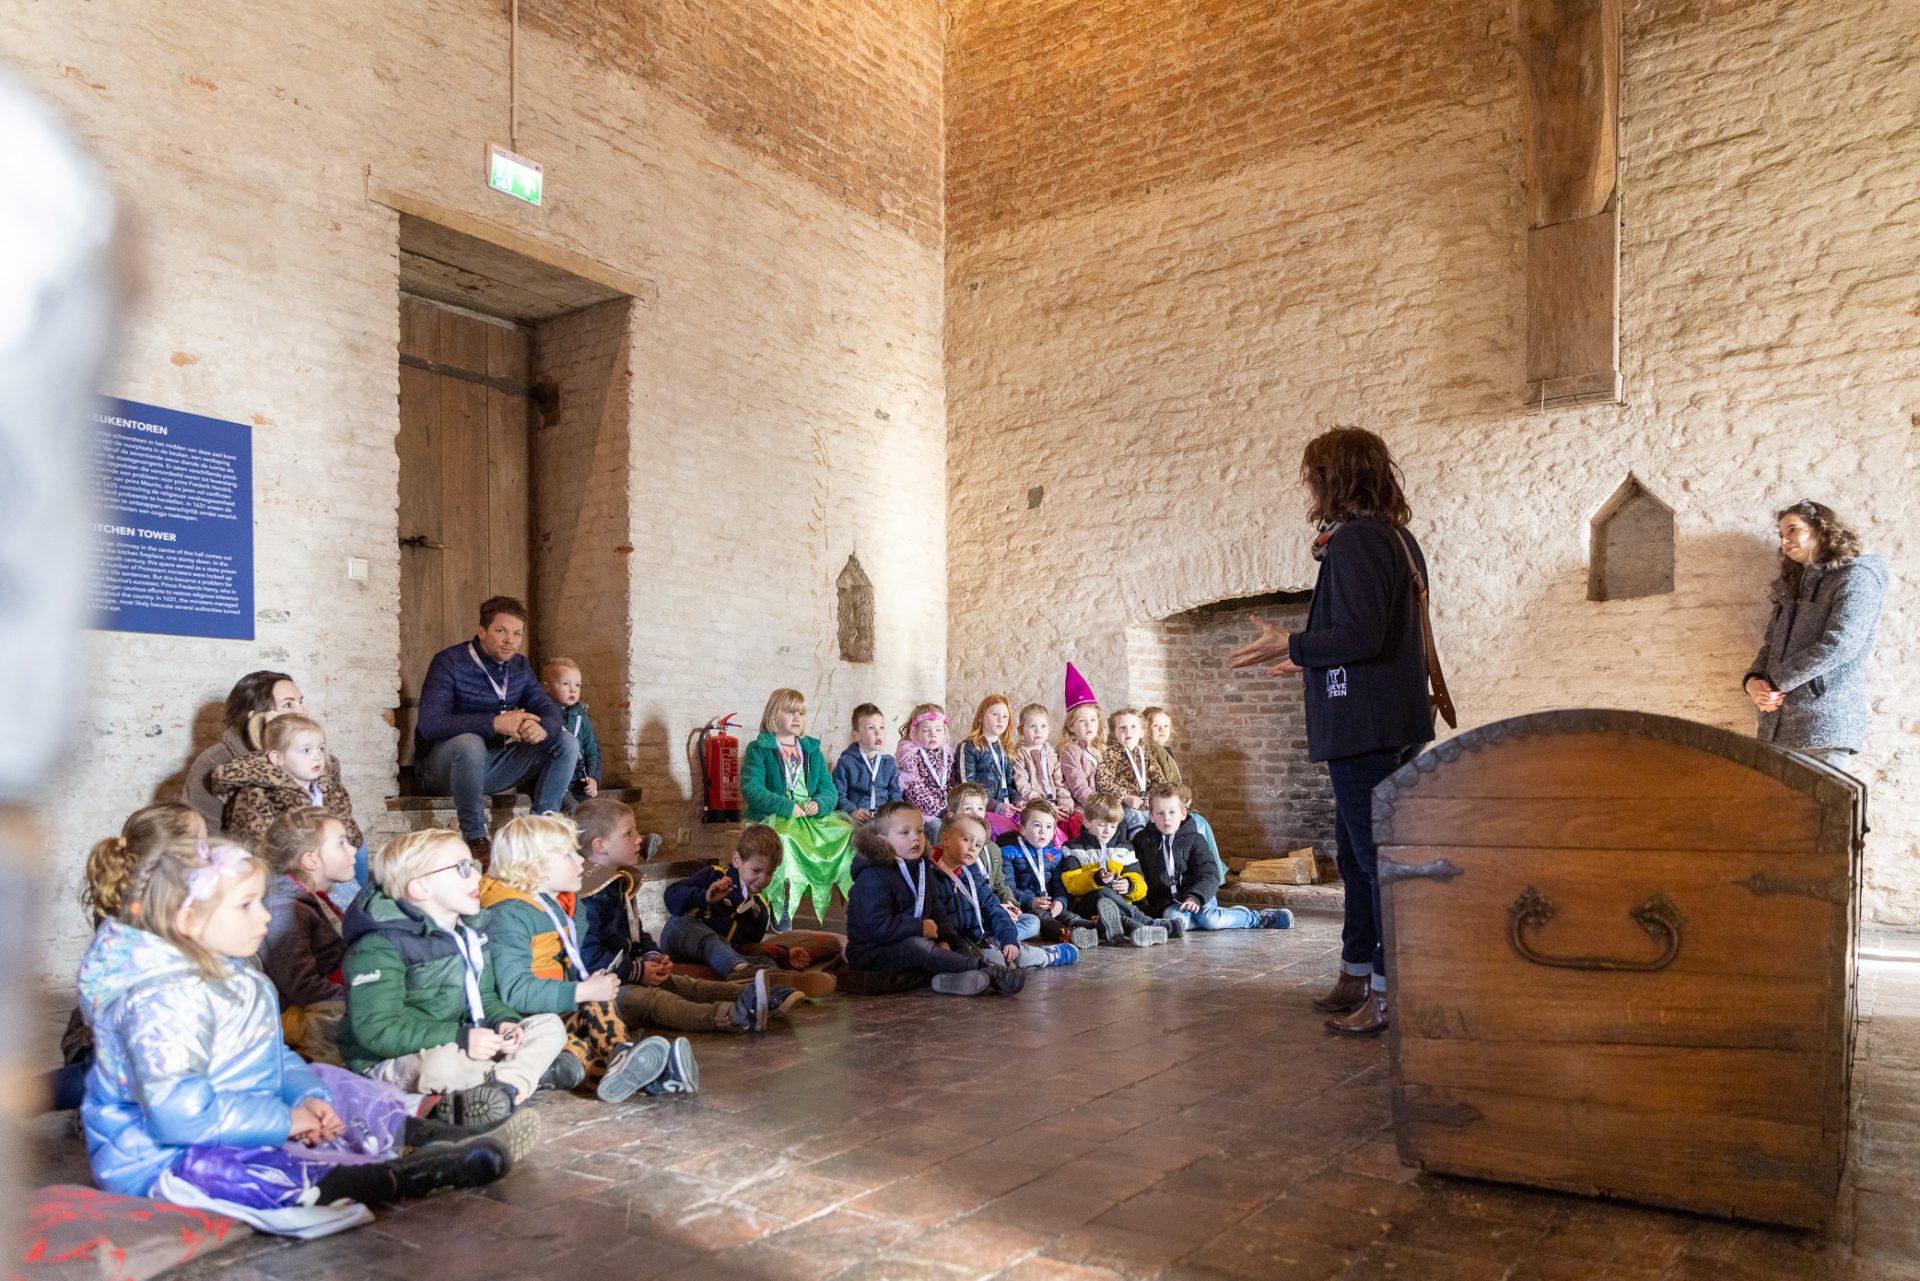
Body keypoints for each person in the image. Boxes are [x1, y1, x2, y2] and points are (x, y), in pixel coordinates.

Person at [77, 837, 525, 1230]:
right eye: (246, 906)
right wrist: (286, 1120)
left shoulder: (236, 976)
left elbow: (272, 1059)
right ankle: (403, 1177)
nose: (265, 918)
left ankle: (424, 1135)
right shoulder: (159, 1003)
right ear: (189, 922)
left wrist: (308, 1098)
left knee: (333, 1082)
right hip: (163, 1156)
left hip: (241, 1115)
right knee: (235, 1172)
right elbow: (180, 1117)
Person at [1229, 426, 1435, 1037]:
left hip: (1364, 726)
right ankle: (1356, 971)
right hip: (1388, 716)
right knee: (1357, 855)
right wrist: (1309, 655)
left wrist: (1292, 641)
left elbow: (1363, 636)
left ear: (1334, 478)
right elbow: (1371, 636)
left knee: (1373, 863)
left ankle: (1386, 991)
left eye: (1314, 476)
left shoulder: (1357, 541)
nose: (1309, 488)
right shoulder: (1394, 537)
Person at [336, 829, 568, 1122]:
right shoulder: (377, 946)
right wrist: (459, 1037)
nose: (476, 877)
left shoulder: (469, 930)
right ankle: (517, 1077)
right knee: (444, 1066)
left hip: (465, 1039)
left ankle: (502, 1089)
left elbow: (483, 996)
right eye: (462, 868)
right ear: (420, 888)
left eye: (473, 866)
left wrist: (503, 1021)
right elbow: (378, 1029)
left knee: (549, 1025)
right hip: (395, 1056)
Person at [478, 816, 695, 1101]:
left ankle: (639, 1073)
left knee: (580, 1047)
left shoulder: (563, 904)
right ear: (534, 869)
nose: (580, 862)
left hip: (552, 1006)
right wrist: (581, 991)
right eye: (568, 855)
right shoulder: (510, 915)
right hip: (517, 1019)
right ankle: (627, 1058)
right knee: (591, 1008)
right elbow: (514, 991)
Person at [571, 800, 794, 1035]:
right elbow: (589, 960)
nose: (639, 838)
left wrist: (652, 955)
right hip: (593, 990)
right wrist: (638, 971)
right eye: (629, 833)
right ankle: (729, 1015)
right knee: (651, 999)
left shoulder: (617, 881)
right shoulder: (587, 894)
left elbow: (635, 932)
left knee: (681, 983)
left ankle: (758, 994)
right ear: (600, 846)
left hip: (623, 974)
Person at [47, 804, 207, 1112]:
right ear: (169, 857)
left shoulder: (178, 900)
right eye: (200, 842)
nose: (210, 849)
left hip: (158, 1030)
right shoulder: (134, 916)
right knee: (105, 1079)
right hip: (107, 1039)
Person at [413, 596, 579, 861]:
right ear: (482, 631)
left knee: (566, 742)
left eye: (516, 633)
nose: (509, 640)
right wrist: (493, 723)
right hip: (443, 770)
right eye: (501, 631)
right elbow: (430, 724)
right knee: (469, 743)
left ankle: (538, 832)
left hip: (490, 768)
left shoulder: (520, 666)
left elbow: (548, 709)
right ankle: (476, 838)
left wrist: (544, 728)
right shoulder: (449, 662)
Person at [1743, 499, 1887, 768]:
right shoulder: (1792, 588)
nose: (1784, 541)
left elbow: (1841, 644)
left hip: (1824, 722)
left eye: (1793, 530)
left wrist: (1777, 681)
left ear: (1821, 529)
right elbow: (1770, 645)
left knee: (1825, 810)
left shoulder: (1856, 577)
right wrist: (1754, 682)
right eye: (1781, 535)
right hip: (1776, 727)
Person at [843, 805, 1023, 996]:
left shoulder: (922, 867)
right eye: (905, 832)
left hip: (916, 940)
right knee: (917, 948)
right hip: (873, 951)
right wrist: (920, 928)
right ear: (882, 840)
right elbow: (876, 926)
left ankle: (950, 980)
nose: (915, 838)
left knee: (956, 947)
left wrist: (946, 939)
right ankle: (991, 973)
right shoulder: (873, 876)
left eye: (919, 831)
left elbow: (937, 911)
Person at [739, 688, 855, 925]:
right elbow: (752, 788)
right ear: (773, 714)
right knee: (783, 839)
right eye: (790, 712)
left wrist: (819, 804)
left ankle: (853, 900)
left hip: (809, 816)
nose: (796, 718)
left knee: (848, 834)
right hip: (775, 815)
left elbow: (828, 787)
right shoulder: (760, 748)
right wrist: (785, 806)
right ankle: (780, 904)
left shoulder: (811, 750)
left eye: (801, 713)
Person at [256, 809, 356, 1065]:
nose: (353, 850)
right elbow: (301, 987)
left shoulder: (311, 897)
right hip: (315, 1020)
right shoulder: (283, 908)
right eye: (341, 844)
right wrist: (363, 997)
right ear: (310, 860)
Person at [1134, 784, 1292, 935]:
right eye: (1160, 813)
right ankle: (1203, 920)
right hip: (1170, 903)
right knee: (1175, 921)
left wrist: (1195, 897)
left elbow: (1209, 873)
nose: (1166, 819)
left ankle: (1256, 918)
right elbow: (1141, 875)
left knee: (1210, 919)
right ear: (1151, 816)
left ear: (1183, 814)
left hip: (1199, 894)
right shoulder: (1142, 842)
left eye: (1172, 812)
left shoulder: (1195, 839)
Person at [209, 714, 361, 856]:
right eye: (306, 750)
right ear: (277, 758)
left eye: (321, 748)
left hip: (328, 863)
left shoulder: (330, 789)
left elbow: (347, 827)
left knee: (359, 854)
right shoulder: (259, 794)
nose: (318, 756)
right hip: (286, 872)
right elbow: (255, 847)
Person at [926, 815, 1056, 970]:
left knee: (1018, 953)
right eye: (966, 839)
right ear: (945, 839)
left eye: (978, 844)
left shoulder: (972, 873)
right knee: (975, 963)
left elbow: (991, 905)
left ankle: (1054, 954)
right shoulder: (928, 873)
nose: (973, 847)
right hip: (952, 942)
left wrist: (1008, 938)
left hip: (980, 937)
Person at [182, 671, 305, 834]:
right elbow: (202, 836)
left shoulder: (312, 756)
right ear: (256, 716)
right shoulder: (214, 763)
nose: (303, 712)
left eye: (301, 702)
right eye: (288, 705)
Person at [1061, 793, 1168, 947]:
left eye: (1113, 826)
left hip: (1121, 905)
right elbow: (1071, 885)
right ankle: (1149, 923)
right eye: (1102, 825)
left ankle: (1140, 930)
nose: (1107, 831)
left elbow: (1141, 886)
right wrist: (1096, 878)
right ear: (1087, 822)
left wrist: (1129, 885)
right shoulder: (1072, 848)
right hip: (1087, 904)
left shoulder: (1125, 848)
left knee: (1116, 912)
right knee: (1103, 893)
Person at [997, 800, 1094, 952]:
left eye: (1049, 827)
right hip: (1027, 907)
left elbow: (1059, 886)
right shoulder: (1009, 853)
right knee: (1043, 919)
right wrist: (1031, 901)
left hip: (1050, 904)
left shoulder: (1055, 855)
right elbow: (1009, 887)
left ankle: (1094, 928)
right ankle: (1069, 936)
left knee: (1068, 916)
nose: (1043, 831)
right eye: (1037, 825)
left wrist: (1060, 902)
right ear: (1022, 829)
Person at [1142, 708, 1227, 879]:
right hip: (1162, 802)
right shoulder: (1153, 750)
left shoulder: (1163, 750)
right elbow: (1168, 785)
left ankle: (1215, 872)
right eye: (1156, 725)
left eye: (1166, 725)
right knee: (1199, 823)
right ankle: (1213, 875)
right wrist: (1185, 796)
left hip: (1172, 800)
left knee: (1200, 822)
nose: (1162, 729)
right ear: (1145, 728)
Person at [953, 694, 1020, 831]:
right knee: (1007, 832)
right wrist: (996, 806)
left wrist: (1017, 801)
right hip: (981, 810)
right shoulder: (969, 746)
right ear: (980, 717)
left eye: (1005, 716)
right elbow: (967, 787)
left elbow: (1009, 785)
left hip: (1006, 808)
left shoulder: (1007, 749)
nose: (1000, 719)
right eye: (994, 714)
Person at [1012, 703, 1079, 839]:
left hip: (1056, 805)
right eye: (1032, 727)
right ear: (1021, 730)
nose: (1038, 731)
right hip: (1035, 806)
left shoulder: (1051, 754)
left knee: (1075, 824)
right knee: (1048, 828)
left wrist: (1065, 804)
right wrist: (1045, 805)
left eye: (1043, 726)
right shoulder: (1019, 755)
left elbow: (1061, 783)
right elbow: (1022, 786)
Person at [1096, 708, 1167, 838]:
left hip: (1148, 806)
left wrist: (1152, 798)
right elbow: (1102, 782)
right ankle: (1142, 846)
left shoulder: (1145, 754)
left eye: (1133, 726)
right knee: (1136, 821)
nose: (1128, 731)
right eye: (1122, 727)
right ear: (1114, 733)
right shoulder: (1110, 753)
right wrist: (1124, 797)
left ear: (1142, 732)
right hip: (1125, 807)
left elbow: (1160, 780)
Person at [540, 657, 602, 804]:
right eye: (565, 684)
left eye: (578, 685)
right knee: (572, 810)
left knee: (592, 810)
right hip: (554, 779)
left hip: (578, 780)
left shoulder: (581, 716)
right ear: (546, 688)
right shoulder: (542, 714)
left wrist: (593, 778)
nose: (573, 689)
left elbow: (592, 750)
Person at [832, 703, 902, 823]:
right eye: (871, 728)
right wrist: (852, 811)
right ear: (856, 735)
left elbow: (895, 794)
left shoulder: (889, 763)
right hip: (857, 817)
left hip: (883, 818)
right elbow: (837, 794)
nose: (878, 733)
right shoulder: (845, 762)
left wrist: (892, 812)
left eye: (882, 727)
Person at [895, 703, 955, 841]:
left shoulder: (948, 755)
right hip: (925, 813)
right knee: (937, 829)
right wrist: (940, 811)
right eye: (926, 730)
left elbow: (953, 784)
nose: (933, 734)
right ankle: (937, 861)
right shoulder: (910, 755)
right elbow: (915, 790)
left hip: (949, 811)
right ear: (915, 732)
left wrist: (954, 809)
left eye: (938, 730)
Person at [1058, 667, 1106, 813]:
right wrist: (1100, 807)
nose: (1088, 724)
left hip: (1108, 804)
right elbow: (1079, 787)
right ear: (1071, 726)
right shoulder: (1070, 751)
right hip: (1086, 808)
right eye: (1082, 721)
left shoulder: (1102, 748)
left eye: (1092, 720)